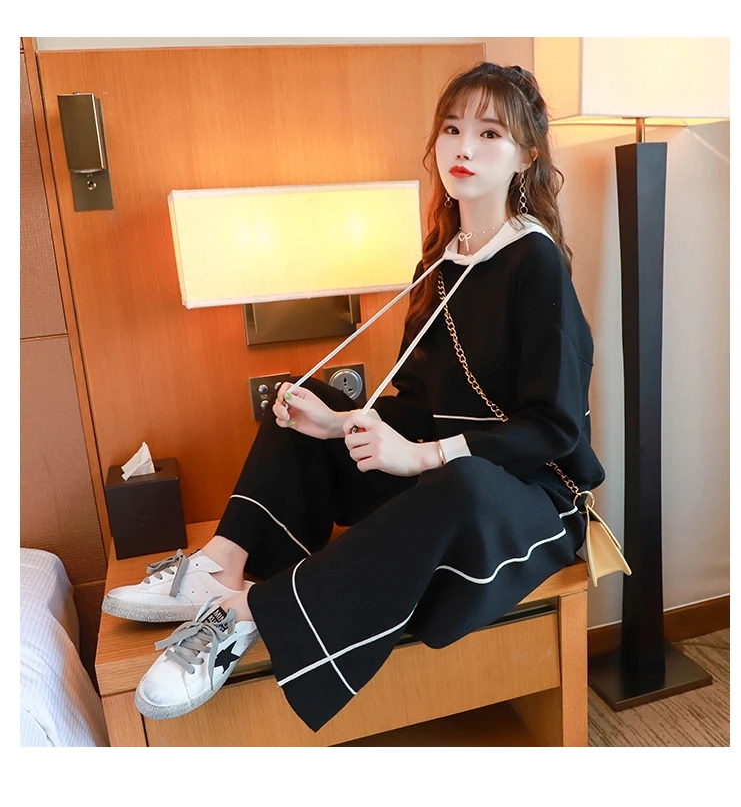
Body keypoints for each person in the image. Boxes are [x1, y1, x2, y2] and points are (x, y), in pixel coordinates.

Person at [101, 61, 605, 732]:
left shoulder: (534, 261)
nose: (463, 147)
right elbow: (415, 402)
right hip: (445, 474)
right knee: (301, 403)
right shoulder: (440, 259)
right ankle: (220, 563)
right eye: (452, 129)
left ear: (526, 156)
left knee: (463, 483)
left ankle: (248, 612)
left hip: (530, 496)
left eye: (490, 134)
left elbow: (555, 430)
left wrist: (422, 457)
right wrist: (338, 424)